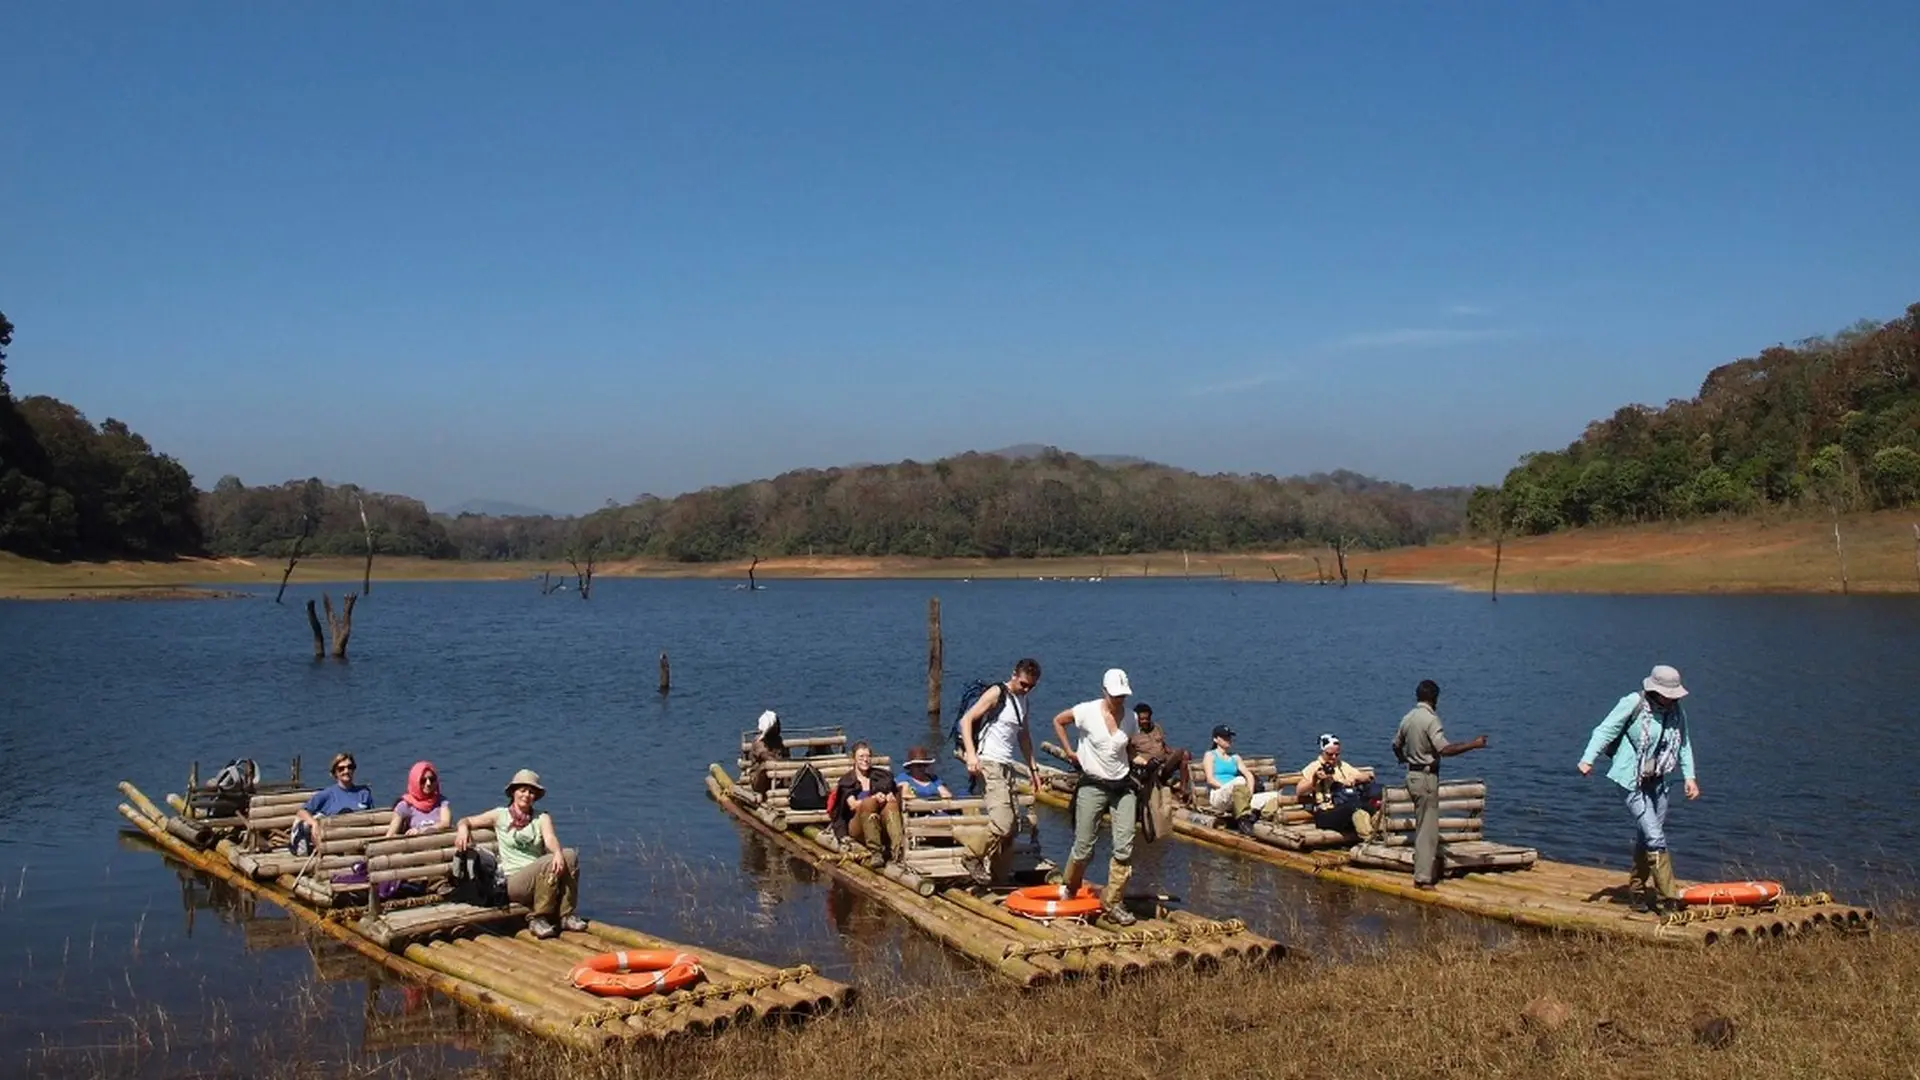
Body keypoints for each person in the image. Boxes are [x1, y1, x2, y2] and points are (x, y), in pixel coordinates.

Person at [1578, 664, 1700, 913]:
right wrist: (1587, 759)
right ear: (1655, 690)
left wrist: (1690, 777)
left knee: (1648, 835)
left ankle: (1635, 890)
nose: (1671, 698)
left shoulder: (1676, 711)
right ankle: (1669, 898)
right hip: (1630, 779)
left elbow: (1684, 744)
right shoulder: (1633, 703)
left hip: (1660, 780)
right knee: (1655, 836)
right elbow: (1604, 729)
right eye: (1668, 693)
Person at [1051, 668, 1141, 926]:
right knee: (1084, 846)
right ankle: (1070, 885)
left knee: (1124, 846)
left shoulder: (1131, 717)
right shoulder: (1086, 711)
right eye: (1115, 696)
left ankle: (1113, 901)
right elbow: (1058, 720)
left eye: (1123, 695)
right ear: (1104, 692)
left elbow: (1128, 748)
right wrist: (1070, 751)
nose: (1119, 700)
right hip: (1093, 783)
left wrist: (1140, 759)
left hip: (1122, 786)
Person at [453, 769, 584, 940]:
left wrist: (558, 853)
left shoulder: (542, 817)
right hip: (514, 882)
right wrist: (463, 829)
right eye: (522, 790)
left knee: (570, 855)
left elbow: (550, 838)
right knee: (546, 863)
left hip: (541, 878)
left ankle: (566, 915)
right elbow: (466, 820)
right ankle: (538, 918)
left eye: (531, 792)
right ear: (513, 792)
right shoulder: (500, 815)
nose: (526, 795)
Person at [1391, 680, 1488, 890]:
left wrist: (1404, 759)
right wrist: (1474, 744)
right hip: (1426, 778)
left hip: (1412, 777)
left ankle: (1423, 870)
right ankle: (1423, 879)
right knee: (1428, 830)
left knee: (1422, 823)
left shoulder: (1408, 718)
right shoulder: (1431, 720)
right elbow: (1444, 749)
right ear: (1434, 698)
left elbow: (1395, 744)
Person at [957, 658, 1043, 884]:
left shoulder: (1023, 701)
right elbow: (966, 720)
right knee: (1002, 823)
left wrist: (1033, 768)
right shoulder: (997, 692)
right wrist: (971, 754)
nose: (1026, 689)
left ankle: (998, 876)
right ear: (1014, 674)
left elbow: (1023, 736)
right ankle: (971, 856)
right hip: (989, 763)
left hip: (1006, 766)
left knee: (1013, 826)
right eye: (1023, 684)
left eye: (1031, 686)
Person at [831, 741, 904, 861]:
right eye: (861, 757)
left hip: (880, 825)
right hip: (857, 826)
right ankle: (875, 852)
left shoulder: (881, 777)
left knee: (891, 805)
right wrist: (874, 798)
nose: (865, 760)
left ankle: (897, 850)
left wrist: (888, 796)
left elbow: (893, 791)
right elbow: (853, 805)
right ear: (853, 759)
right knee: (868, 803)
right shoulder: (848, 781)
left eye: (868, 756)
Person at [291, 752, 375, 855]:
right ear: (335, 773)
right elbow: (302, 812)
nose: (346, 771)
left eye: (350, 767)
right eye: (341, 769)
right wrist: (313, 823)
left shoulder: (364, 793)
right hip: (337, 844)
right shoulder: (327, 794)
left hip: (361, 841)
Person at [1297, 734, 1379, 839]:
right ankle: (1369, 838)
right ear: (1323, 752)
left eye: (1337, 754)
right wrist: (1315, 780)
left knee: (1367, 806)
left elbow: (1366, 777)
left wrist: (1354, 779)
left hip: (1344, 807)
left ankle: (1379, 832)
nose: (1334, 758)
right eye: (1330, 754)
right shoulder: (1314, 767)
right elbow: (1300, 791)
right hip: (1325, 813)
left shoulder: (1342, 766)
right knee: (1354, 808)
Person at [1127, 703, 1193, 804]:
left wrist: (1172, 753)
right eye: (1142, 719)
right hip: (1150, 767)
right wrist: (1143, 763)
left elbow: (1163, 744)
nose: (1145, 721)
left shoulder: (1156, 727)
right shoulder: (1131, 733)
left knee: (1185, 754)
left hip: (1164, 761)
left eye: (1147, 718)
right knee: (1156, 765)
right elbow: (1130, 755)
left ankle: (1183, 789)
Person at [1201, 725, 1260, 834]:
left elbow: (1249, 775)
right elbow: (1210, 779)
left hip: (1238, 795)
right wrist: (1230, 788)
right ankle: (1243, 822)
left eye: (1229, 737)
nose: (1228, 740)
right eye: (1224, 737)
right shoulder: (1210, 755)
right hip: (1219, 794)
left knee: (1272, 797)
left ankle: (1259, 818)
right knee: (1240, 781)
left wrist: (1249, 793)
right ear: (1215, 739)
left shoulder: (1235, 757)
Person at [384, 760, 451, 838]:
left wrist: (421, 830)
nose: (428, 783)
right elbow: (390, 835)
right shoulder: (405, 805)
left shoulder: (441, 801)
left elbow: (446, 823)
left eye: (431, 779)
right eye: (423, 780)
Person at [743, 710, 789, 794]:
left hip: (778, 776)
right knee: (765, 767)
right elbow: (767, 757)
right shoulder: (759, 743)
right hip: (760, 781)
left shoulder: (778, 740)